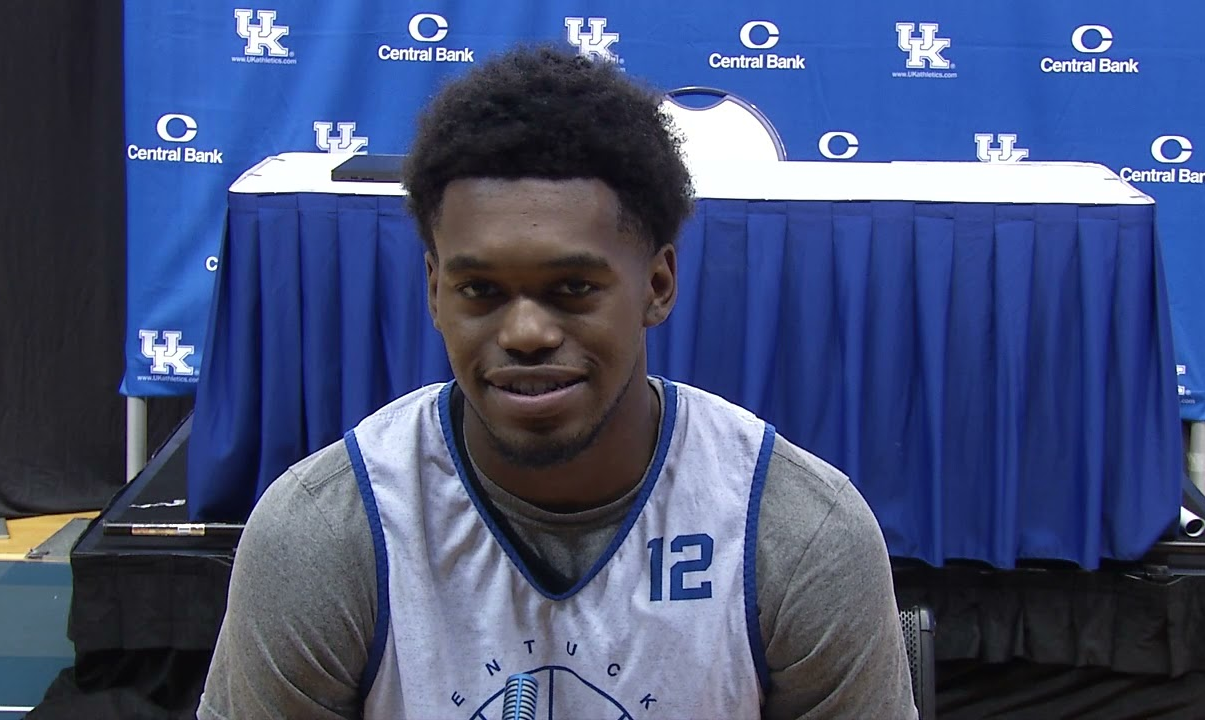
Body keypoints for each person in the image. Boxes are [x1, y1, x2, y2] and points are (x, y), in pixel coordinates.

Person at [198, 44, 917, 720]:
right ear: (435, 292)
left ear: (658, 285)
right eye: (479, 290)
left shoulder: (795, 529)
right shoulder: (326, 529)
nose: (526, 333)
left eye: (573, 287)